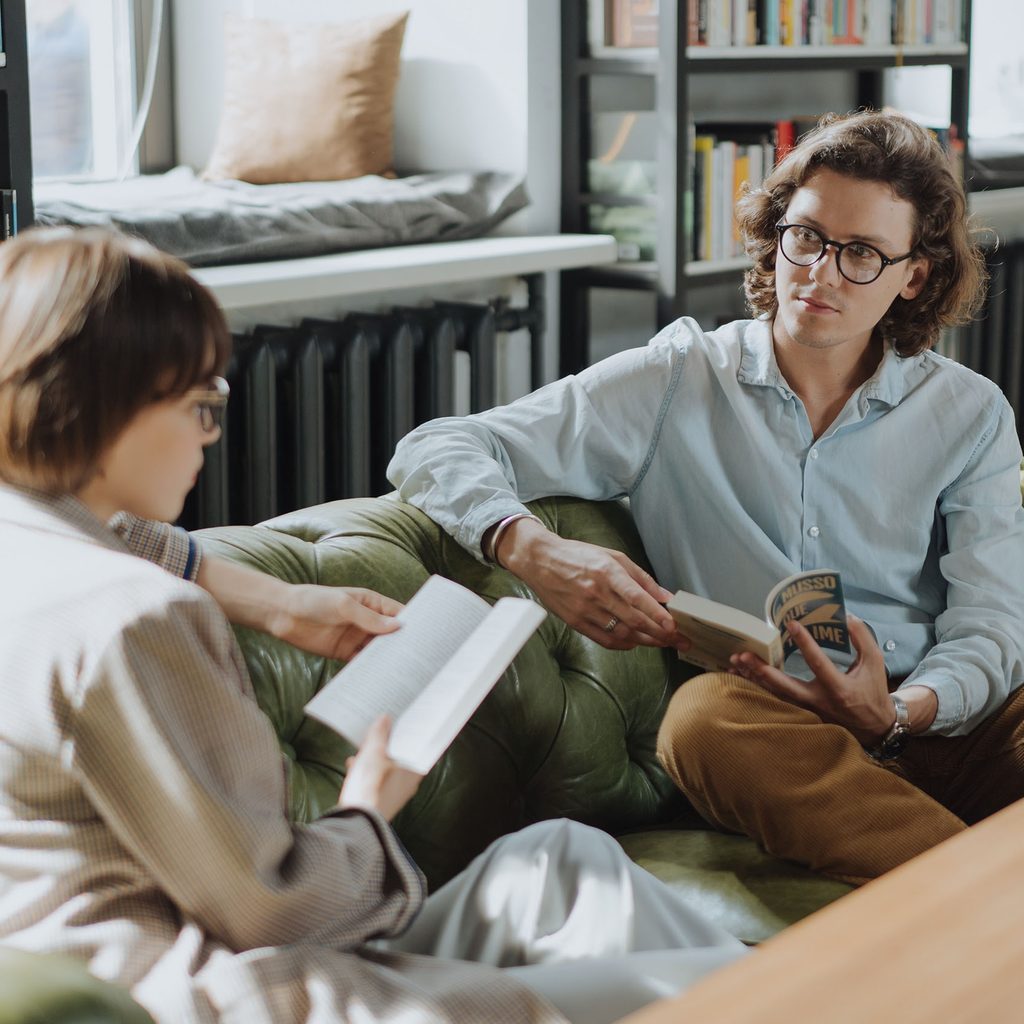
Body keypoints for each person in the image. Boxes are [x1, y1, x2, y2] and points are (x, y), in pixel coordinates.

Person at [0, 227, 747, 1024]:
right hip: (220, 989)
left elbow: (134, 538)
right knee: (700, 998)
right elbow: (269, 907)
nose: (207, 436)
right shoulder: (135, 623)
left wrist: (280, 601)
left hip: (213, 944)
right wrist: (367, 805)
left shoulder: (32, 543)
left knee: (558, 859)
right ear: (106, 405)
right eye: (197, 404)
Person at [389, 109, 1024, 887]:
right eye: (807, 236)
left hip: (938, 716)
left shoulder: (970, 413)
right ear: (779, 232)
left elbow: (990, 622)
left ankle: (938, 875)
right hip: (773, 731)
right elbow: (438, 445)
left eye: (860, 254)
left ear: (912, 276)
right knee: (700, 721)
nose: (820, 273)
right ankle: (981, 897)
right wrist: (534, 549)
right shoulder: (676, 381)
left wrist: (903, 710)